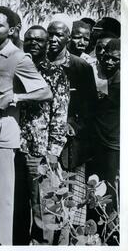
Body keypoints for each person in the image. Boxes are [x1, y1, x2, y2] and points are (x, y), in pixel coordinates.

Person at [0, 6, 52, 246]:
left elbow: (45, 91)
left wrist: (16, 98)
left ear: (12, 30)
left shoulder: (18, 58)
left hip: (3, 137)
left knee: (3, 202)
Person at [15, 25, 69, 245]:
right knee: (17, 208)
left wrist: (54, 151)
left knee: (42, 209)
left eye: (39, 40)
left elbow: (60, 113)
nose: (33, 43)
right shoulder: (18, 70)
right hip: (15, 149)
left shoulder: (56, 75)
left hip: (40, 152)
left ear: (47, 44)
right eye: (29, 39)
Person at [47, 17, 98, 228]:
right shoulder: (39, 62)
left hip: (72, 146)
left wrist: (72, 125)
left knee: (72, 199)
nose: (53, 39)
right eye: (50, 34)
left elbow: (91, 107)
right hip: (44, 141)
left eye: (59, 34)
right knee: (48, 196)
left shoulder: (81, 67)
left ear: (68, 37)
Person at [89, 39, 120, 212]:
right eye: (107, 57)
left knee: (110, 188)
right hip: (97, 142)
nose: (109, 62)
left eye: (115, 59)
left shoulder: (122, 80)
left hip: (113, 144)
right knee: (96, 186)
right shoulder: (100, 75)